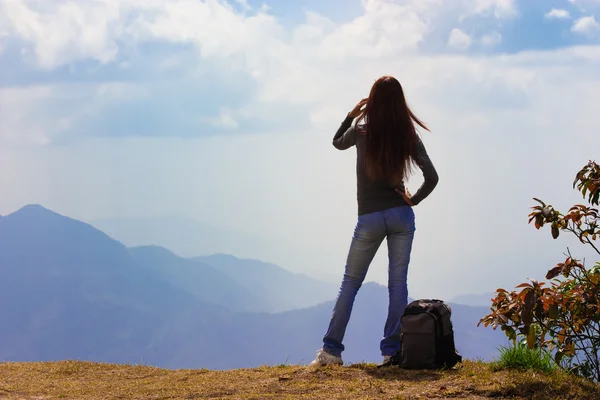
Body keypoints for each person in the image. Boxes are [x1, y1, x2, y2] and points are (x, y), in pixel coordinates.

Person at [309, 76, 439, 367]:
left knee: (351, 283)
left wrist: (350, 116)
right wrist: (413, 199)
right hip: (401, 217)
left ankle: (331, 351)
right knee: (398, 285)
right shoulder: (408, 135)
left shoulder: (361, 131)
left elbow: (336, 143)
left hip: (369, 218)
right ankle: (391, 353)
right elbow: (432, 178)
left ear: (373, 101)